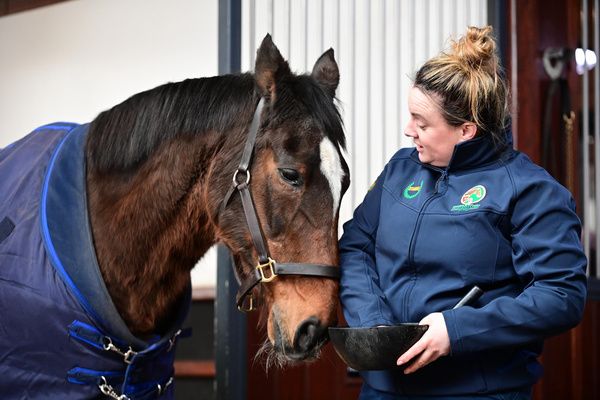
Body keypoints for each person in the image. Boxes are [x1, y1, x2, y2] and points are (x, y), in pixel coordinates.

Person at [338, 25, 587, 400]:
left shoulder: (529, 190)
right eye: (410, 117)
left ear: (466, 130)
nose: (409, 130)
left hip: (476, 391)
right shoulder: (400, 170)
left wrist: (456, 331)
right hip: (383, 389)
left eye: (422, 123)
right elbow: (356, 247)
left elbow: (561, 295)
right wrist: (374, 327)